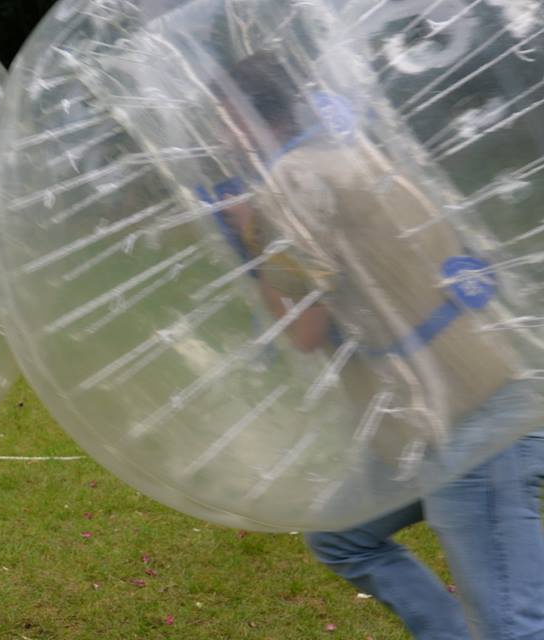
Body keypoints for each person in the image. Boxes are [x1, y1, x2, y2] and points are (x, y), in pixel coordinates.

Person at [219, 52, 544, 639]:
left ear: (242, 119)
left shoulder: (287, 191)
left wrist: (251, 246)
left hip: (467, 424)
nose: (220, 135)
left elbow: (304, 331)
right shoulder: (356, 151)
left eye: (223, 119)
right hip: (434, 413)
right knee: (342, 535)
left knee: (511, 627)